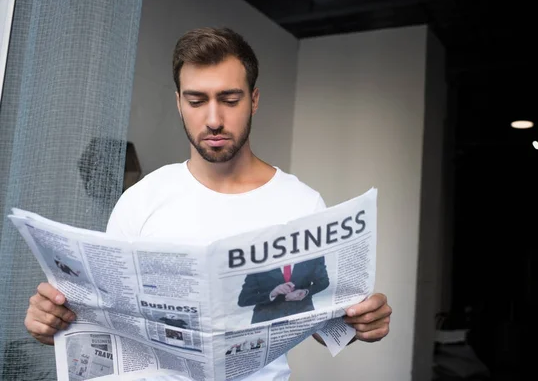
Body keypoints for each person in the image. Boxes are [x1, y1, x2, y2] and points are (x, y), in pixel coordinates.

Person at [23, 27, 392, 380]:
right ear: (179, 103)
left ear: (254, 100)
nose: (213, 120)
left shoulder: (302, 204)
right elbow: (105, 320)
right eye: (196, 101)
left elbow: (321, 323)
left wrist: (360, 323)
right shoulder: (141, 199)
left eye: (230, 100)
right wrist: (52, 320)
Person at [238, 257, 329, 323]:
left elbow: (323, 282)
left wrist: (306, 292)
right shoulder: (259, 259)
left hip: (302, 318)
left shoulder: (313, 255)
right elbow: (243, 299)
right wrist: (272, 293)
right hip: (267, 320)